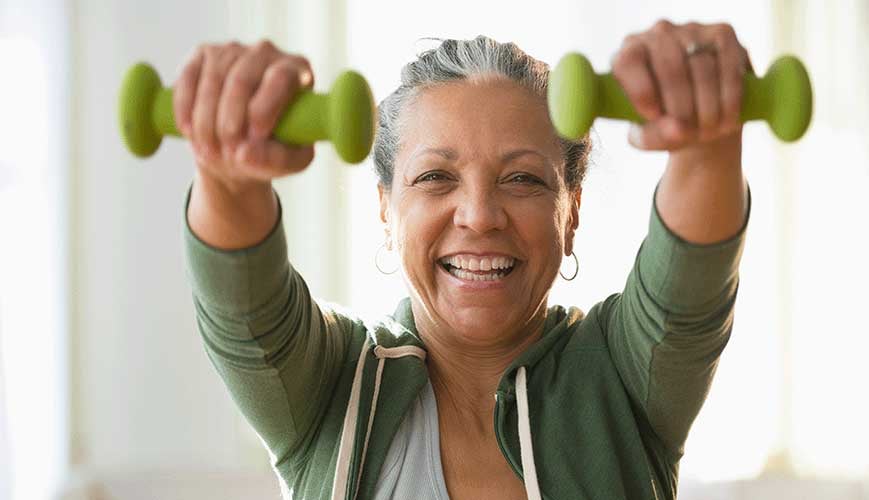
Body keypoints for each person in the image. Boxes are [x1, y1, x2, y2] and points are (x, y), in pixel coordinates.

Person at [178, 19, 751, 500]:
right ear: (386, 210)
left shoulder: (621, 375)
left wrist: (708, 142)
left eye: (522, 179)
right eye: (435, 177)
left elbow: (691, 280)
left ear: (571, 212)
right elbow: (244, 310)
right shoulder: (331, 381)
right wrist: (228, 174)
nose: (479, 216)